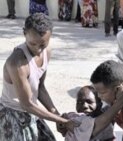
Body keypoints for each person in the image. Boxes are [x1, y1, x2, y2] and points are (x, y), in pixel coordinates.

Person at [0, 13, 77, 141]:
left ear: (50, 36)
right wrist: (61, 120)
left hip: (32, 111)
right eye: (32, 44)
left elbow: (40, 88)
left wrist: (56, 115)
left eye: (42, 44)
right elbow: (26, 104)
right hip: (12, 114)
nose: (38, 49)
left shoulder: (47, 52)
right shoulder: (16, 62)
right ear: (24, 33)